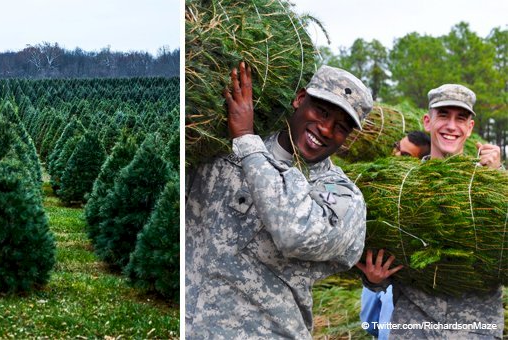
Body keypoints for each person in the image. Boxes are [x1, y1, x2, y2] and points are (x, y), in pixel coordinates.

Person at [185, 62, 373, 338]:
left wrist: (247, 141)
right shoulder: (221, 150)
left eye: (341, 127)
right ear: (299, 99)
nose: (325, 129)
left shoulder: (342, 197)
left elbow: (295, 234)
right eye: (321, 111)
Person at [358, 84, 504, 339]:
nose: (451, 126)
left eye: (461, 118)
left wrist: (498, 179)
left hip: (475, 330)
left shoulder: (491, 182)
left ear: (470, 128)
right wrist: (374, 279)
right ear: (428, 121)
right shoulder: (400, 189)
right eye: (443, 115)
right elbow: (386, 258)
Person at [358, 130, 430, 340]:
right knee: (370, 322)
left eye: (406, 156)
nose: (396, 155)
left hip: (398, 285)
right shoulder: (376, 181)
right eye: (397, 147)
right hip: (375, 275)